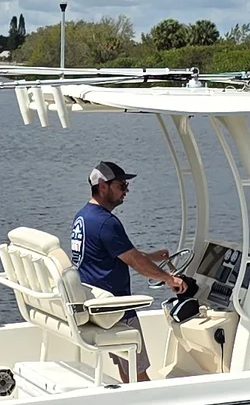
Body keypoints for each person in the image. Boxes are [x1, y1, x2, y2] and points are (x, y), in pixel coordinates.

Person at [69, 160, 187, 380]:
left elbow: (118, 253)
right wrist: (169, 279)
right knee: (138, 374)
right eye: (121, 185)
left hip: (98, 305)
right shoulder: (106, 222)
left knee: (127, 369)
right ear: (103, 186)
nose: (126, 190)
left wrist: (152, 256)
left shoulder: (83, 217)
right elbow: (134, 261)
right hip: (118, 309)